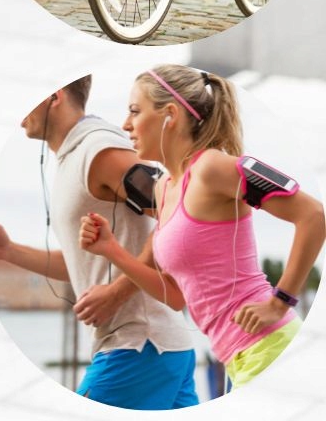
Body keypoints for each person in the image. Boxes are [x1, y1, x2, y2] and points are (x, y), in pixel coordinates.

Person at [81, 66, 324, 390]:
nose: (126, 124)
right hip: (235, 359)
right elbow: (177, 296)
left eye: (135, 111)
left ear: (170, 115)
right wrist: (112, 250)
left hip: (268, 348)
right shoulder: (164, 189)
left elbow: (313, 215)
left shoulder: (211, 167)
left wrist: (280, 301)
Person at [0, 76, 200, 409]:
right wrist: (8, 251)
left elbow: (184, 210)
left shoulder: (101, 151)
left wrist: (116, 292)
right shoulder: (73, 158)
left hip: (139, 346)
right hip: (155, 348)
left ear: (54, 96)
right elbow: (82, 264)